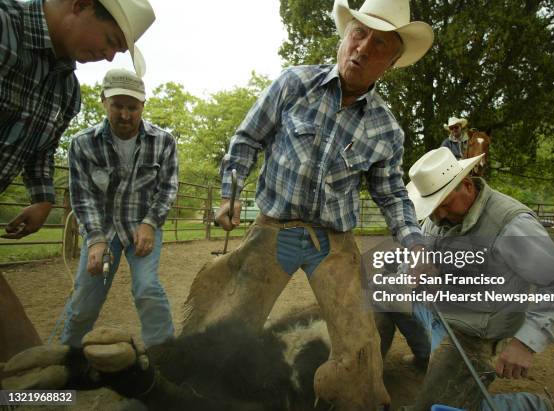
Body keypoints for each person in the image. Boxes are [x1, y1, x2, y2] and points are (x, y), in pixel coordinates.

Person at [182, 0, 434, 409]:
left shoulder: (387, 128)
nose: (364, 48)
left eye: (380, 44)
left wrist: (415, 245)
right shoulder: (293, 84)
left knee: (360, 348)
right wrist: (230, 195)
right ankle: (199, 396)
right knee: (225, 330)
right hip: (272, 229)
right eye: (359, 33)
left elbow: (391, 193)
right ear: (345, 36)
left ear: (391, 62)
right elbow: (246, 140)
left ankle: (357, 399)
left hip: (333, 242)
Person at [398, 147, 554, 411]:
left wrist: (526, 342)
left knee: (434, 409)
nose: (437, 217)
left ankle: (536, 407)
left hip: (473, 333)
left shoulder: (510, 224)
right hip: (439, 312)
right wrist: (413, 269)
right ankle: (425, 356)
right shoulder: (439, 217)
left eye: (443, 206)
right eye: (432, 209)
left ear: (467, 186)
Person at [1, 0, 155, 240]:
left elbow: (42, 149)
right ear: (81, 5)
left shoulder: (68, 92)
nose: (109, 57)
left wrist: (42, 198)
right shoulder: (5, 30)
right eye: (111, 41)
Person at [60, 68, 177, 349]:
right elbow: (82, 196)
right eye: (118, 106)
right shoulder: (82, 144)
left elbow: (168, 188)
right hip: (102, 228)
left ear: (143, 106)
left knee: (147, 288)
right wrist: (96, 239)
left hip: (143, 225)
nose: (125, 115)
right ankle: (68, 357)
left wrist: (150, 223)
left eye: (132, 107)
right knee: (85, 298)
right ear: (104, 102)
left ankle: (165, 358)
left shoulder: (164, 141)